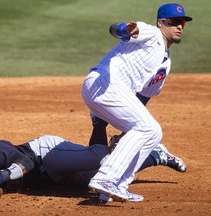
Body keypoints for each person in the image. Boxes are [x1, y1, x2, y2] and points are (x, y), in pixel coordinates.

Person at [81, 3, 192, 202]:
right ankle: (106, 178)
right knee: (147, 128)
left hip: (115, 91)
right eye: (174, 22)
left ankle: (117, 185)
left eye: (182, 22)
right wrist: (125, 29)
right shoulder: (152, 33)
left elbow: (142, 99)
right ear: (161, 23)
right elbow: (115, 29)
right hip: (105, 82)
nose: (180, 26)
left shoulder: (165, 63)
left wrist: (127, 133)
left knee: (153, 133)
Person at [0, 134, 186, 202]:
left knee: (99, 158)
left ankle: (111, 132)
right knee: (102, 177)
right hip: (51, 181)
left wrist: (1, 175)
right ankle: (156, 156)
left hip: (47, 155)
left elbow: (27, 162)